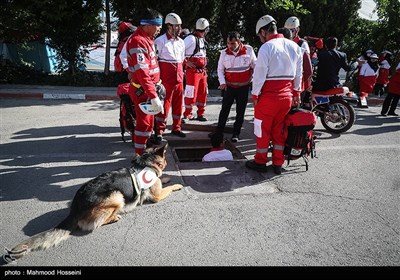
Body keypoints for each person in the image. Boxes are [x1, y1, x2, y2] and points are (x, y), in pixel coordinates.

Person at [245, 15, 303, 175]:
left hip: (268, 97)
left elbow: (259, 75)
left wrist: (255, 95)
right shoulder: (294, 46)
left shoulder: (266, 47)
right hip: (287, 96)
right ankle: (278, 162)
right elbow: (299, 73)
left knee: (262, 130)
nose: (260, 38)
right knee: (280, 130)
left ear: (263, 31)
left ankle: (260, 161)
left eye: (259, 35)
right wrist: (296, 91)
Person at [125, 8, 164, 155]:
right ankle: (139, 157)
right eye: (157, 26)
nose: (159, 29)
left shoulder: (147, 40)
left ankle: (142, 152)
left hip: (148, 90)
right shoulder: (138, 42)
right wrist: (153, 96)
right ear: (147, 25)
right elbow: (142, 74)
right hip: (143, 92)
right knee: (144, 126)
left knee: (148, 125)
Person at [211, 31, 256, 142]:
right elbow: (220, 70)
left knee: (240, 111)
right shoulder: (224, 53)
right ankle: (219, 133)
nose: (230, 46)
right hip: (229, 87)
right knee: (224, 110)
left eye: (232, 43)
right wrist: (222, 82)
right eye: (228, 43)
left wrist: (253, 79)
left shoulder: (248, 50)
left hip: (243, 87)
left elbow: (255, 65)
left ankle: (236, 133)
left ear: (239, 41)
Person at [154, 13, 186, 143]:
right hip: (166, 79)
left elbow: (182, 59)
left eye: (179, 26)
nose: (178, 29)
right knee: (164, 105)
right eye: (176, 26)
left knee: (179, 105)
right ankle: (159, 131)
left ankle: (176, 127)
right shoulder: (160, 41)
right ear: (168, 26)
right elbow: (155, 60)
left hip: (179, 78)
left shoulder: (181, 42)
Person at [182, 18, 210, 122]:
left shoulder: (201, 39)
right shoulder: (191, 39)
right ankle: (187, 114)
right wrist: (186, 62)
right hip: (193, 71)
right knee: (190, 93)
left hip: (202, 71)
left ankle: (200, 113)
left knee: (203, 93)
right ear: (205, 29)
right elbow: (179, 50)